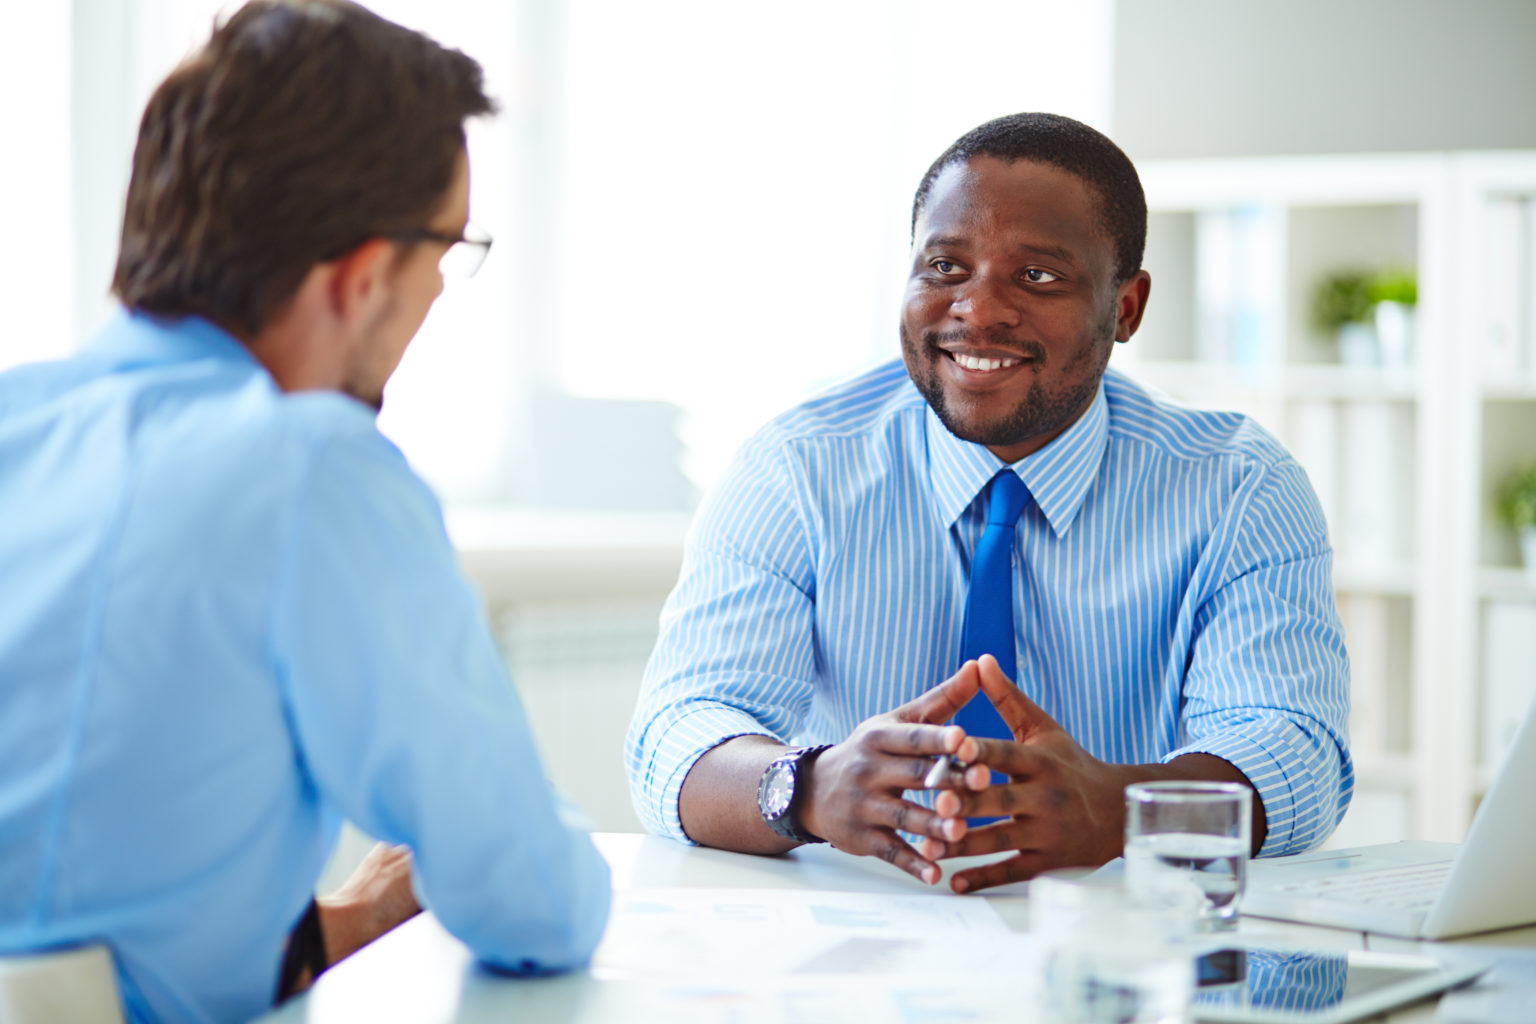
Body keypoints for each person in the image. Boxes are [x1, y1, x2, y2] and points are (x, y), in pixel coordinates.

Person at [0, 3, 609, 1022]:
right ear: (364, 276)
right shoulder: (313, 470)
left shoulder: (21, 417)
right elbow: (531, 901)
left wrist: (330, 925)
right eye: (448, 256)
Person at [626, 112, 1352, 894]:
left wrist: (1118, 810)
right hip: (853, 951)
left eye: (1037, 277)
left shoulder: (1238, 488)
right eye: (944, 267)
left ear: (1127, 307)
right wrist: (808, 787)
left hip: (1117, 949)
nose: (977, 309)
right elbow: (679, 730)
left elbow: (1293, 750)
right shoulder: (797, 467)